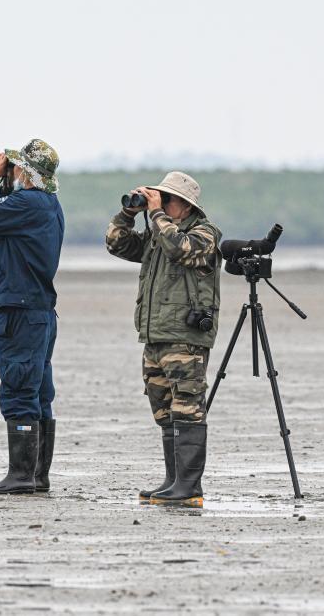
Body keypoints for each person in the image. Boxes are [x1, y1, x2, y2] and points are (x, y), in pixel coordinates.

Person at [105, 172, 222, 507]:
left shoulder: (204, 234)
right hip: (155, 334)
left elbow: (180, 250)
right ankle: (173, 481)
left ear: (184, 205)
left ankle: (189, 487)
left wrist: (156, 215)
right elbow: (117, 244)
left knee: (187, 408)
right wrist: (128, 214)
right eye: (159, 198)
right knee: (164, 410)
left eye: (166, 199)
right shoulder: (158, 234)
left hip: (185, 337)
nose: (160, 204)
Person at [0, 139, 64, 495]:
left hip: (21, 311)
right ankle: (36, 475)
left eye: (17, 167)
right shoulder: (48, 203)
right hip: (40, 311)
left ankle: (21, 476)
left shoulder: (28, 203)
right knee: (39, 392)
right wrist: (7, 179)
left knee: (19, 387)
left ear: (27, 172)